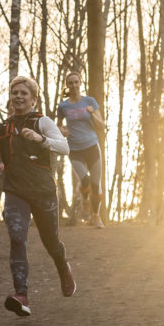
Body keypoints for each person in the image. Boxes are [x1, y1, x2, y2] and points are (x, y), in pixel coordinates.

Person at [0, 75, 76, 316]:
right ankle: (22, 295)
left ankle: (62, 266)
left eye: (23, 93)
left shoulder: (43, 122)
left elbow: (64, 148)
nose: (18, 96)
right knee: (17, 236)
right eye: (14, 92)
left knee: (51, 243)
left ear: (33, 99)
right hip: (15, 191)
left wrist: (41, 139)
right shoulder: (3, 128)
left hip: (43, 191)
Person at [56, 71, 106, 228]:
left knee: (96, 183)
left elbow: (101, 125)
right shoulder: (63, 106)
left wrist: (92, 114)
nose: (74, 85)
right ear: (67, 85)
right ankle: (85, 201)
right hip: (75, 148)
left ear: (80, 83)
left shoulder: (89, 102)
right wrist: (62, 131)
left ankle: (96, 216)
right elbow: (57, 125)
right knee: (84, 179)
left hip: (92, 146)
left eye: (76, 82)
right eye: (70, 83)